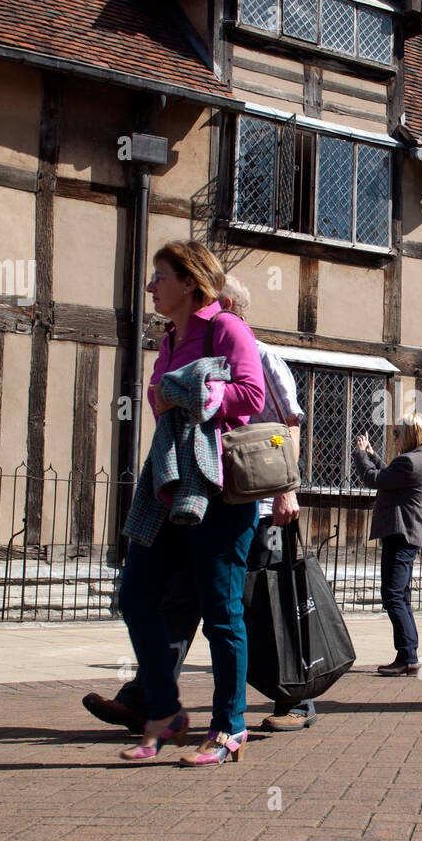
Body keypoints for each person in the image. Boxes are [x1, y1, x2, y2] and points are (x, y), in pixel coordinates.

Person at [83, 274, 314, 732]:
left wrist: (287, 490)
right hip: (207, 500)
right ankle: (147, 699)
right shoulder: (194, 352)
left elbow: (290, 423)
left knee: (263, 605)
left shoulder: (260, 354)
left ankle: (296, 702)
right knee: (181, 600)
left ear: (224, 303)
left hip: (257, 505)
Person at [117, 241, 265, 766]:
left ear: (189, 282)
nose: (150, 286)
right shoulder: (169, 339)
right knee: (134, 595)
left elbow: (252, 394)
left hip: (220, 490)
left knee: (222, 612)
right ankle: (167, 711)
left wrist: (199, 394)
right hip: (171, 485)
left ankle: (230, 727)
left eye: (159, 276)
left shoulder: (226, 328)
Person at [353, 413, 422, 675]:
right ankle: (407, 653)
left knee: (393, 595)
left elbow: (374, 479)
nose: (395, 438)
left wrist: (359, 455)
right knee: (402, 596)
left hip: (400, 535)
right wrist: (373, 455)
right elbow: (389, 475)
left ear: (409, 435)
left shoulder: (410, 461)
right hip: (407, 535)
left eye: (397, 433)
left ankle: (408, 656)